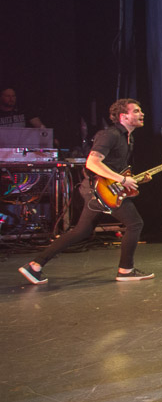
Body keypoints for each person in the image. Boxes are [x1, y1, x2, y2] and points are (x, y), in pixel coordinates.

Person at [19, 99, 152, 284]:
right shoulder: (110, 135)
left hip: (102, 189)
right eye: (136, 111)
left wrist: (132, 179)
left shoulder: (128, 138)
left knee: (81, 231)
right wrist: (122, 180)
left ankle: (35, 266)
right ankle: (125, 271)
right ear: (124, 116)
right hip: (97, 190)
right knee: (135, 224)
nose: (141, 114)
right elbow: (92, 162)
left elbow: (112, 168)